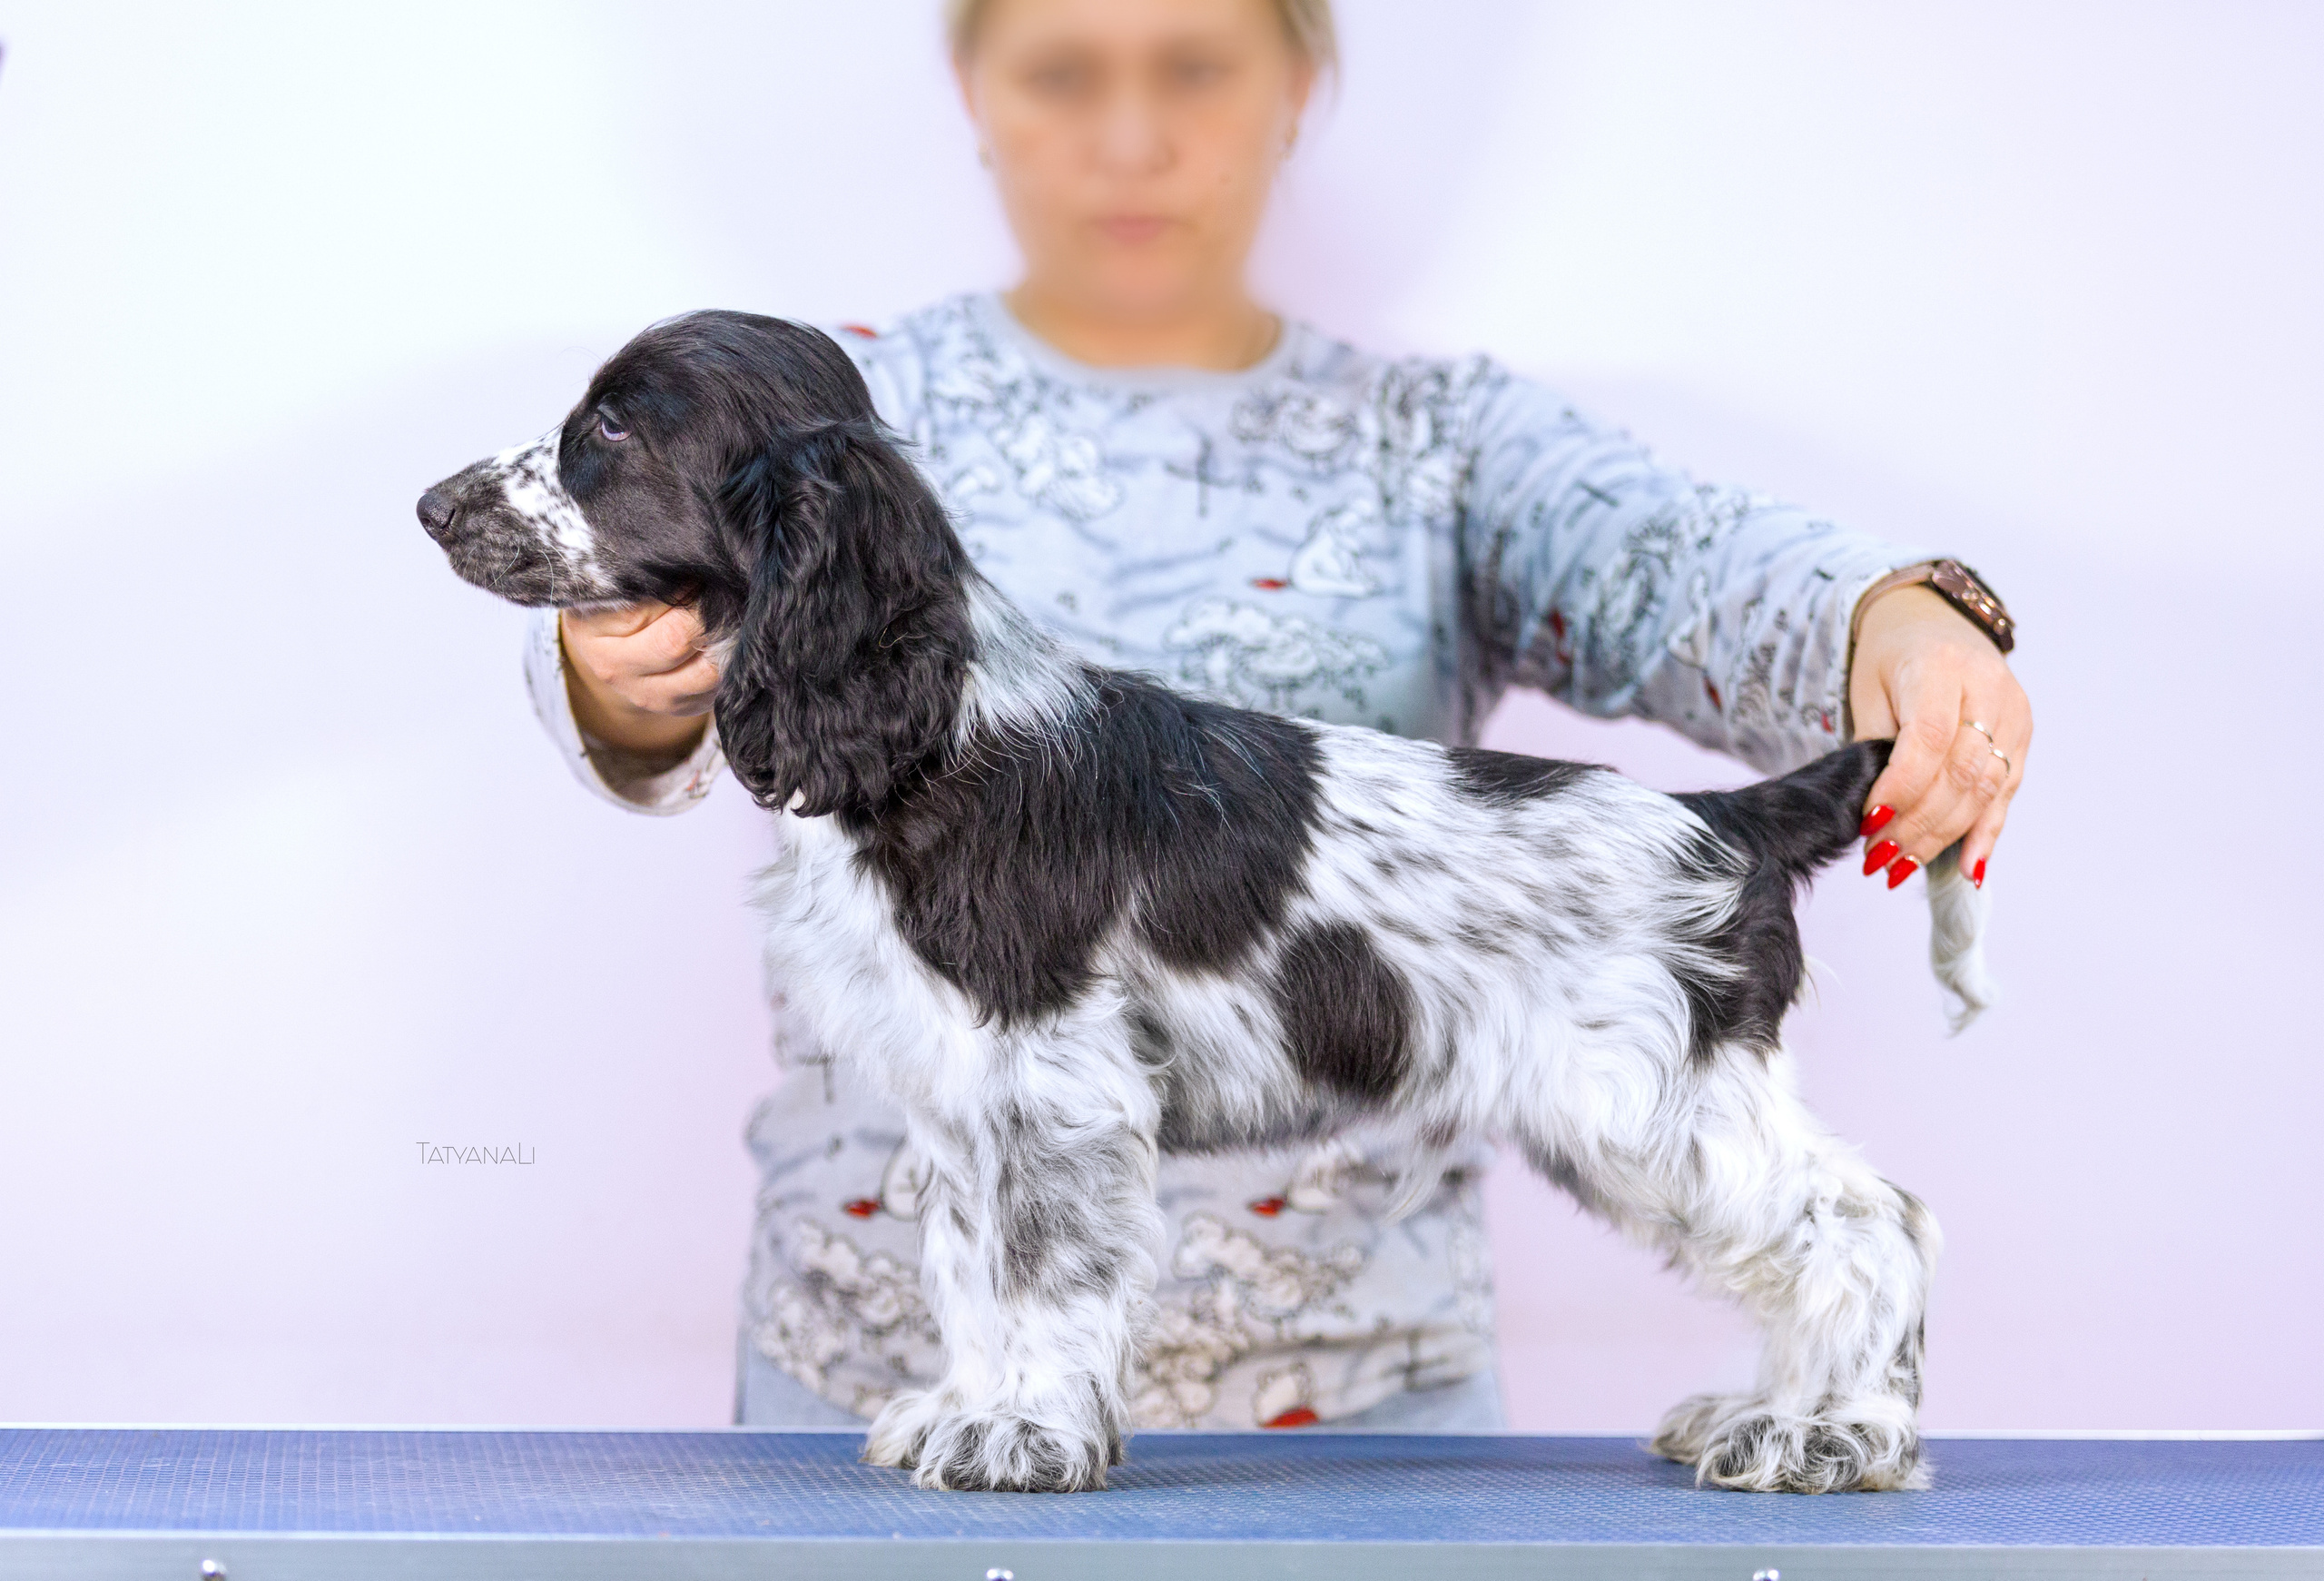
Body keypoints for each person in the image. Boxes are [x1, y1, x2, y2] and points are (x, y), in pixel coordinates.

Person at [524, 0, 2033, 1432]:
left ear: (1298, 84)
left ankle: (1851, 1360)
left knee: (1680, 1143)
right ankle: (1016, 1379)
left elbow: (1684, 562)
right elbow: (618, 643)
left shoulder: (1442, 440)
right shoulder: (830, 402)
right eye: (1063, 72)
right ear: (972, 89)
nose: (1129, 137)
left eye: (1194, 67)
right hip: (855, 1385)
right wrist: (616, 677)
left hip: (1370, 1410)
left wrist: (1888, 616)